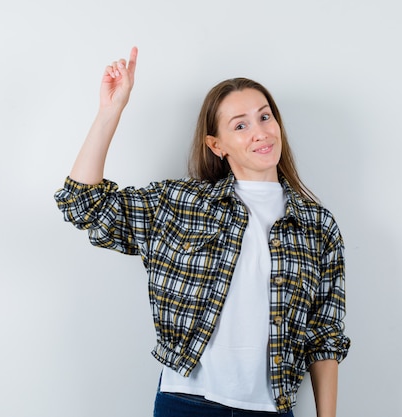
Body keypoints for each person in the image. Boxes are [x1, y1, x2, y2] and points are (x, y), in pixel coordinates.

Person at [54, 47, 350, 417]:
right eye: (240, 125)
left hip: (270, 408)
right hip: (186, 403)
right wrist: (110, 111)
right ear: (216, 145)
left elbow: (324, 336)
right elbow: (82, 203)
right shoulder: (181, 204)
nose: (260, 132)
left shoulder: (318, 226)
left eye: (264, 117)